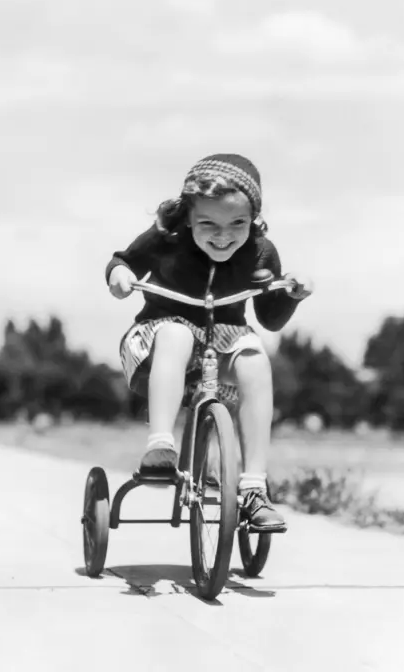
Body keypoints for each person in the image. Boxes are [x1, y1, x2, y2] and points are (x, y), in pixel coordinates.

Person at [106, 153, 310, 531]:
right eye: (208, 224)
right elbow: (125, 260)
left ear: (254, 218)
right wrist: (120, 275)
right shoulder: (167, 239)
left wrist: (290, 295)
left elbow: (269, 317)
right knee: (178, 333)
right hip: (157, 337)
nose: (223, 235)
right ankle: (161, 444)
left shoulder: (260, 252)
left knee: (254, 358)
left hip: (223, 345)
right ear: (186, 216)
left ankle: (253, 487)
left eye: (238, 223)